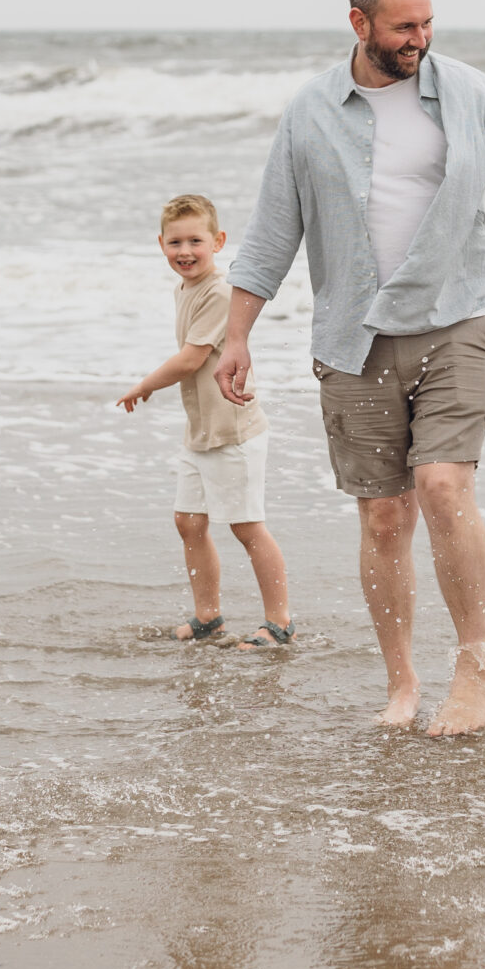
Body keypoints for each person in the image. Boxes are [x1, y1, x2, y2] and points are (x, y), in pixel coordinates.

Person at [216, 0, 485, 734]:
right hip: (355, 339)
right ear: (359, 22)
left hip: (459, 322)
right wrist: (236, 335)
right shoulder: (309, 112)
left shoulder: (465, 92)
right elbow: (273, 231)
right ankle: (402, 682)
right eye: (404, 26)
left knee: (443, 486)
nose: (421, 38)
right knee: (383, 519)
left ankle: (474, 667)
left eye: (428, 22)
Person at [118, 194, 294, 648]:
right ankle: (208, 617)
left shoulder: (219, 291)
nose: (185, 251)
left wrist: (145, 385)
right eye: (175, 242)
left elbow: (191, 359)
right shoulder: (184, 288)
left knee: (245, 525)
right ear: (161, 245)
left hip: (233, 431)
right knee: (189, 521)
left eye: (196, 240)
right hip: (201, 431)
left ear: (217, 241)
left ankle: (279, 622)